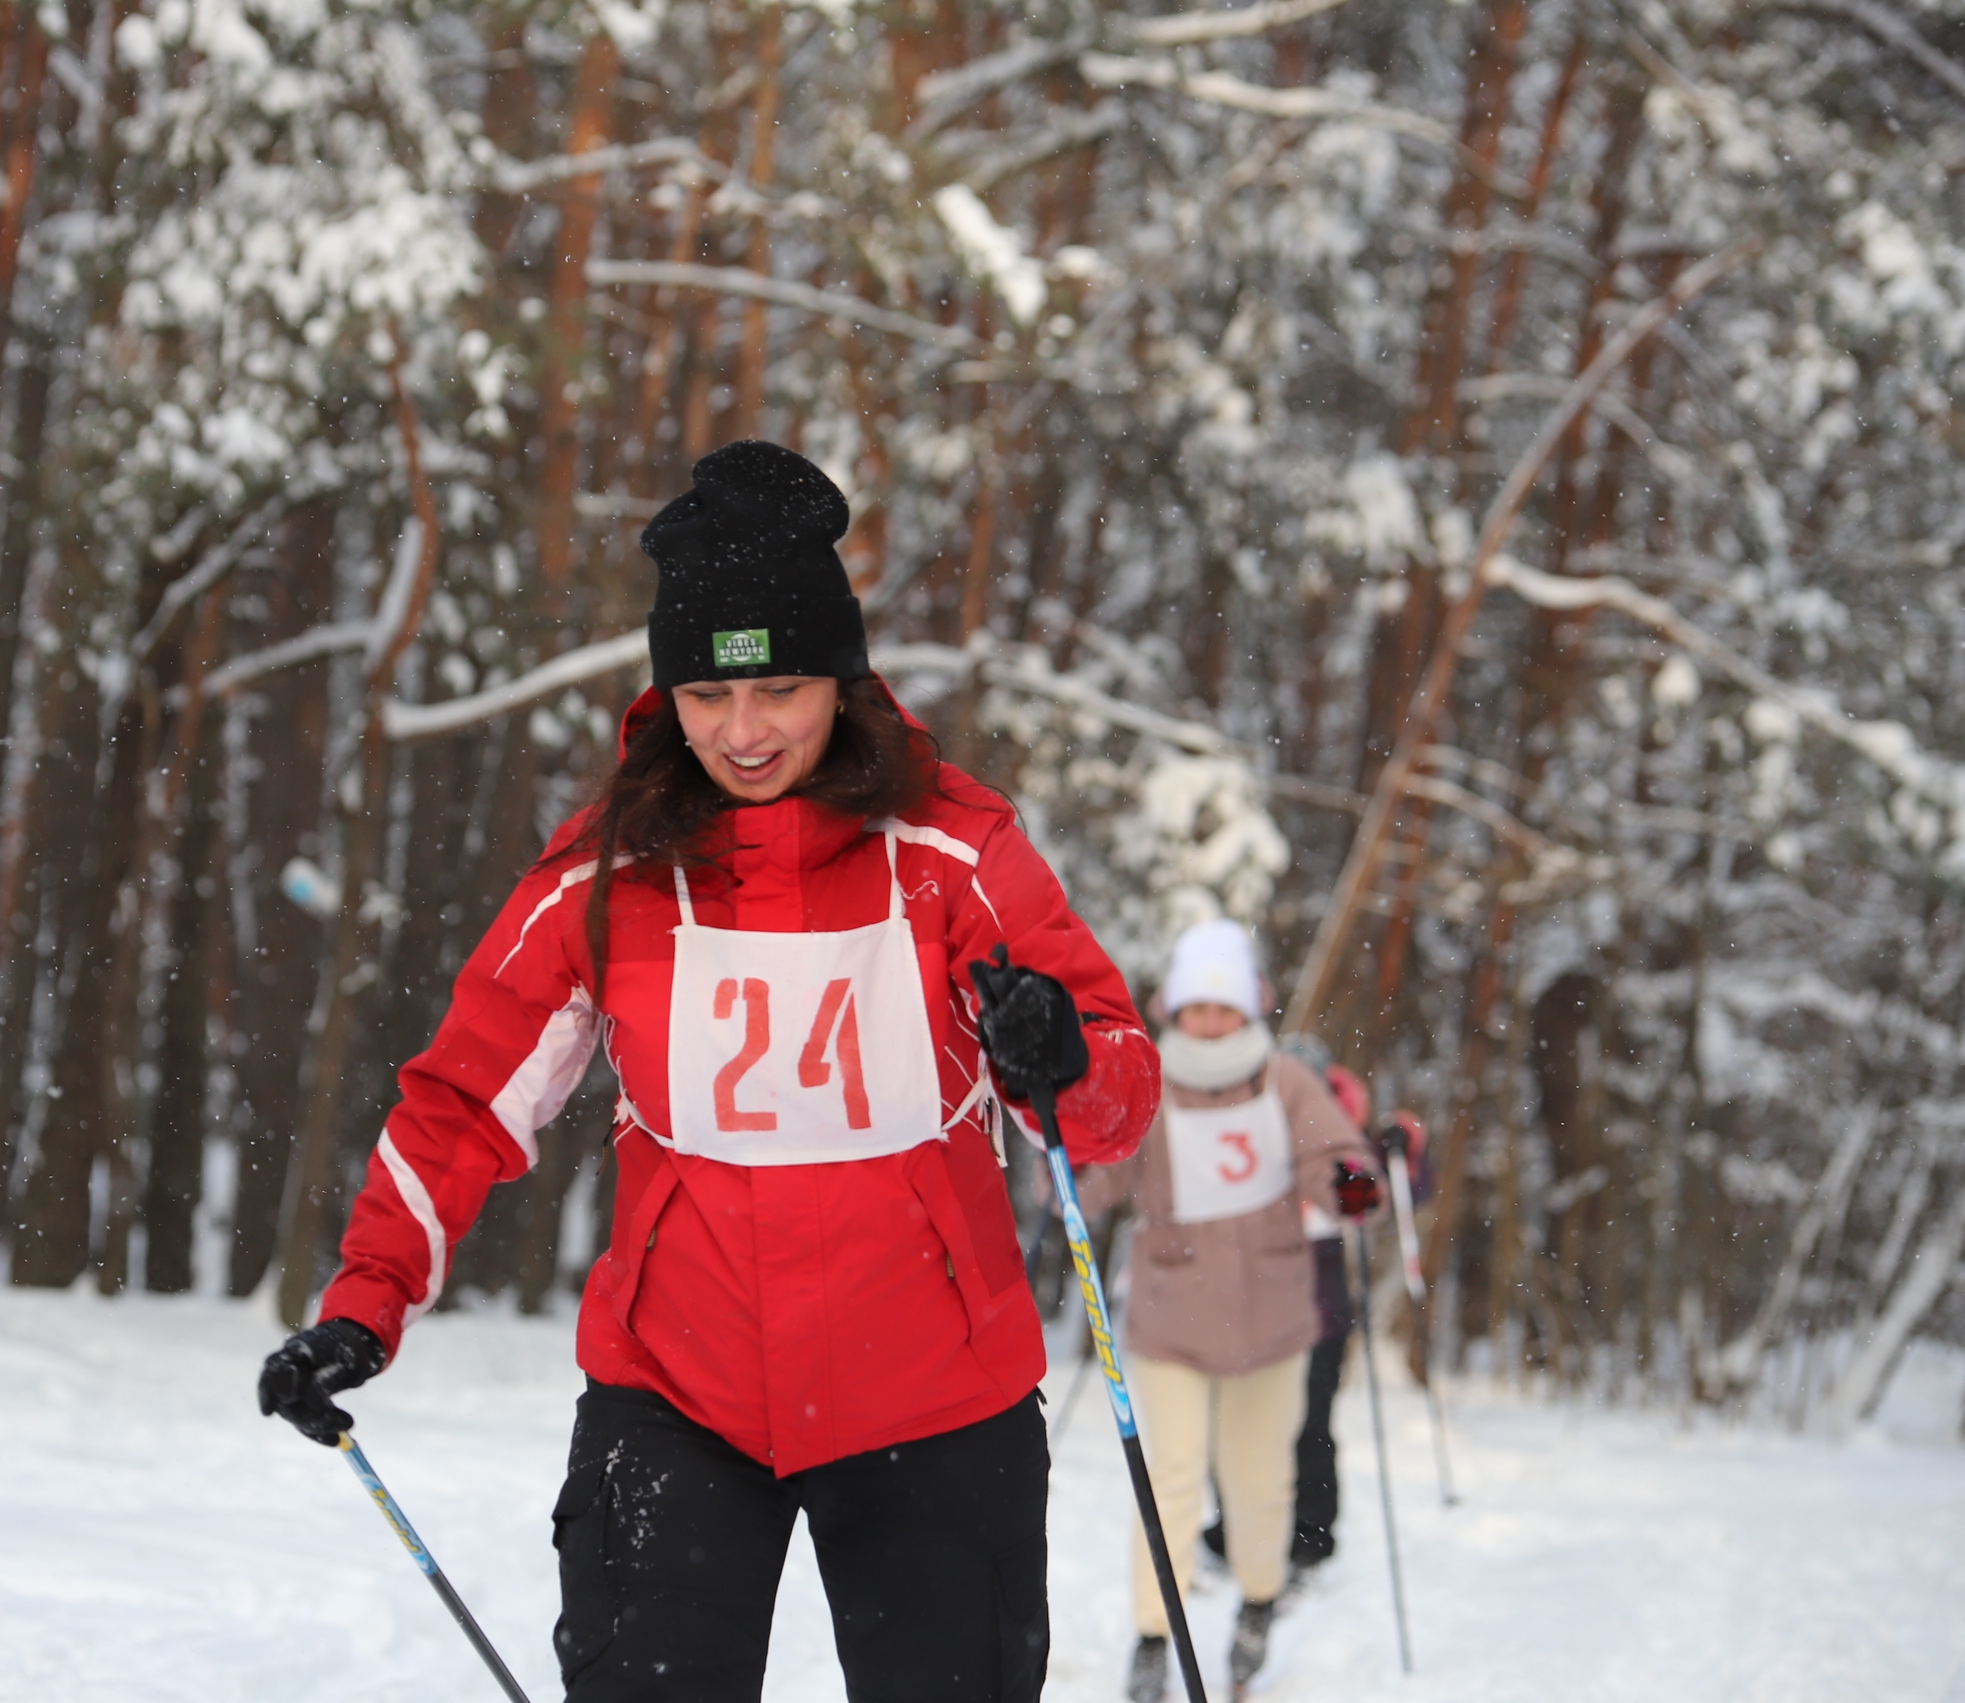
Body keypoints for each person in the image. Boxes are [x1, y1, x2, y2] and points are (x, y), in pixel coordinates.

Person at [255, 440, 1162, 1703]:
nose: (742, 732)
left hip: (933, 1394)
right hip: (679, 1390)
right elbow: (463, 1099)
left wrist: (1059, 1056)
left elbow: (1111, 1097)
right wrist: (367, 1301)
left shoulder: (952, 852)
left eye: (780, 688)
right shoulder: (608, 872)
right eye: (706, 693)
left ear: (839, 678)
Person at [1081, 919, 1382, 1702]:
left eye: (1225, 1007)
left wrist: (1351, 1183)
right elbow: (1098, 1173)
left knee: (1259, 1481)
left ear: (1249, 1006)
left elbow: (1332, 1155)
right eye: (1197, 1007)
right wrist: (1067, 1159)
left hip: (1269, 1323)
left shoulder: (1283, 1080)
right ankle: (1154, 1633)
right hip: (1171, 1321)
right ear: (1173, 1009)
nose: (1211, 1022)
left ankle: (1258, 1598)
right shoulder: (1148, 1079)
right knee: (1173, 1479)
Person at [1201, 1042, 1368, 1579]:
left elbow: (1383, 1190)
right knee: (1237, 1422)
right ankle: (1236, 1530)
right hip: (1245, 1306)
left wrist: (1399, 1149)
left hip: (1317, 1311)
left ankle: (1309, 1535)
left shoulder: (1340, 1135)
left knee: (1308, 1423)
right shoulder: (1244, 1130)